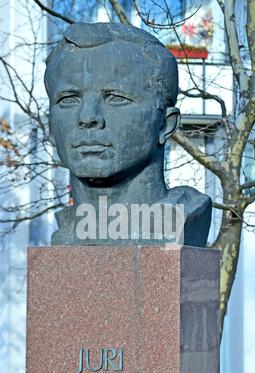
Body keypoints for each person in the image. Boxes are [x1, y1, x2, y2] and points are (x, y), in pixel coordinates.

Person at [44, 22, 211, 246]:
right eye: (68, 100)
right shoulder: (66, 234)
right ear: (51, 125)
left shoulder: (181, 219)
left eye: (116, 98)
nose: (87, 117)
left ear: (165, 124)